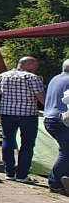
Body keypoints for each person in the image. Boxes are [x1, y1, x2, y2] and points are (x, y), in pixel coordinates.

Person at [0, 57, 45, 184]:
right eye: (35, 66)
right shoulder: (32, 78)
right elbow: (41, 98)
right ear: (29, 65)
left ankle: (9, 172)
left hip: (7, 113)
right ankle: (22, 174)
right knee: (27, 144)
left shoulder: (3, 76)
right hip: (27, 114)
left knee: (7, 141)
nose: (36, 69)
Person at [43, 59, 69, 195]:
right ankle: (55, 182)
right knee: (67, 151)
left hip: (49, 118)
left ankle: (62, 179)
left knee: (66, 150)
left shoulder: (56, 79)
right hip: (63, 120)